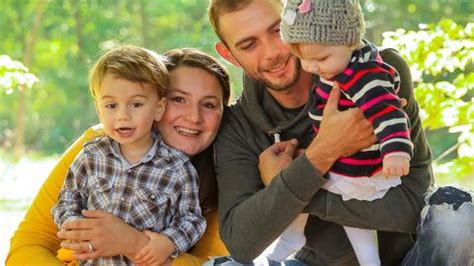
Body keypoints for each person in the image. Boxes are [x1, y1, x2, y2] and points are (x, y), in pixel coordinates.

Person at [207, 0, 433, 264]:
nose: (272, 53)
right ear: (229, 55)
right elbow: (241, 244)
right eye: (249, 45)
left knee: (458, 215)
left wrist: (289, 187)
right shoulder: (237, 126)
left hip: (411, 258)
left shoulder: (377, 70)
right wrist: (322, 153)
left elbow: (415, 205)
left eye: (278, 30)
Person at [6, 47, 231, 265]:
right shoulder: (95, 149)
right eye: (179, 99)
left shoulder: (227, 179)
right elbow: (26, 246)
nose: (194, 117)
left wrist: (133, 243)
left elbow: (212, 263)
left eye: (209, 104)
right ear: (158, 103)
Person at [261, 0, 413, 264]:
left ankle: (295, 237)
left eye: (320, 59)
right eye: (303, 59)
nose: (311, 68)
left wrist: (396, 151)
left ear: (351, 41)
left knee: (305, 185)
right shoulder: (342, 63)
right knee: (305, 178)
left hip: (358, 164)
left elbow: (389, 111)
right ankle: (362, 259)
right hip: (342, 159)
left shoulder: (365, 74)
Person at [51, 45, 208, 265]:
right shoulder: (90, 156)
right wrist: (76, 227)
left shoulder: (177, 168)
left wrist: (168, 242)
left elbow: (192, 219)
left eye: (136, 104)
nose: (123, 116)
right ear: (99, 110)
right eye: (111, 105)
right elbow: (67, 200)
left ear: (158, 109)